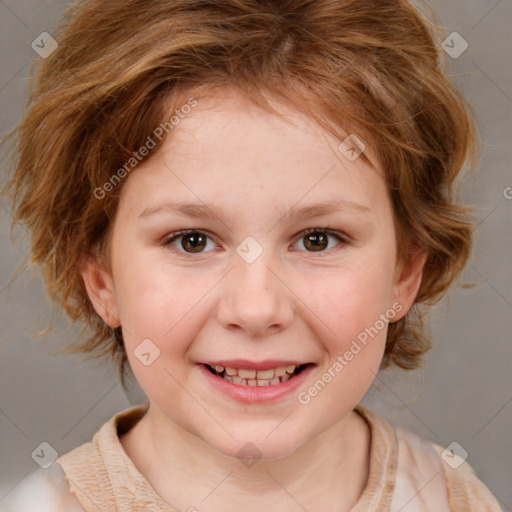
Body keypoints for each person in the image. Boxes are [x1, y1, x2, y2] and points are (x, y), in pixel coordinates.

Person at [0, 0, 503, 510]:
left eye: (317, 239)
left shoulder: (453, 499)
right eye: (192, 240)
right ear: (101, 277)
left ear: (405, 272)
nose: (257, 309)